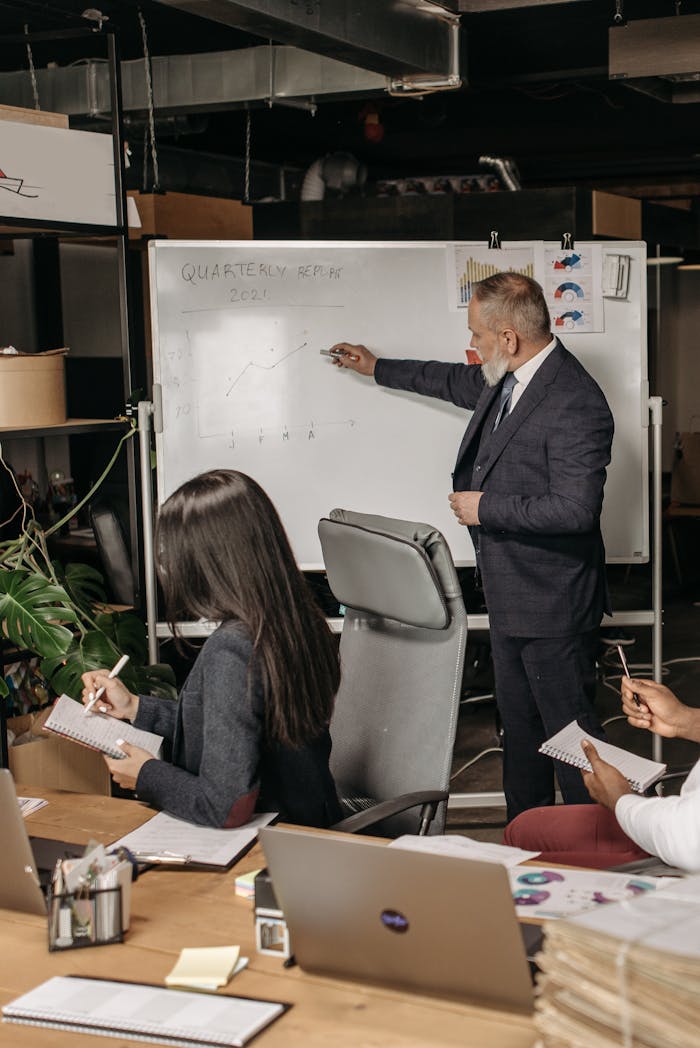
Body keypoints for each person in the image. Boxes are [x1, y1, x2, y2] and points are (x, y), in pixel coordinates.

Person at [331, 272, 613, 820]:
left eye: (477, 334)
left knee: (572, 739)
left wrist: (486, 508)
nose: (472, 344)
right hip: (511, 596)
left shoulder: (575, 400)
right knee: (522, 736)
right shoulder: (507, 377)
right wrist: (376, 367)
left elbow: (576, 510)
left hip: (553, 605)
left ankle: (596, 841)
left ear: (508, 337)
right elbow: (447, 379)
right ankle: (526, 837)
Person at [81, 469, 342, 829]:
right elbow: (236, 726)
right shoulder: (295, 619)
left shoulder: (232, 648)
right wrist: (134, 707)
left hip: (270, 842)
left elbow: (225, 806)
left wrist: (145, 774)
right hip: (310, 824)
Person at [504, 676, 700, 872]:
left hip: (681, 856)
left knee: (516, 863)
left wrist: (619, 799)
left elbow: (687, 842)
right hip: (681, 824)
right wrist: (687, 721)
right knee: (522, 829)